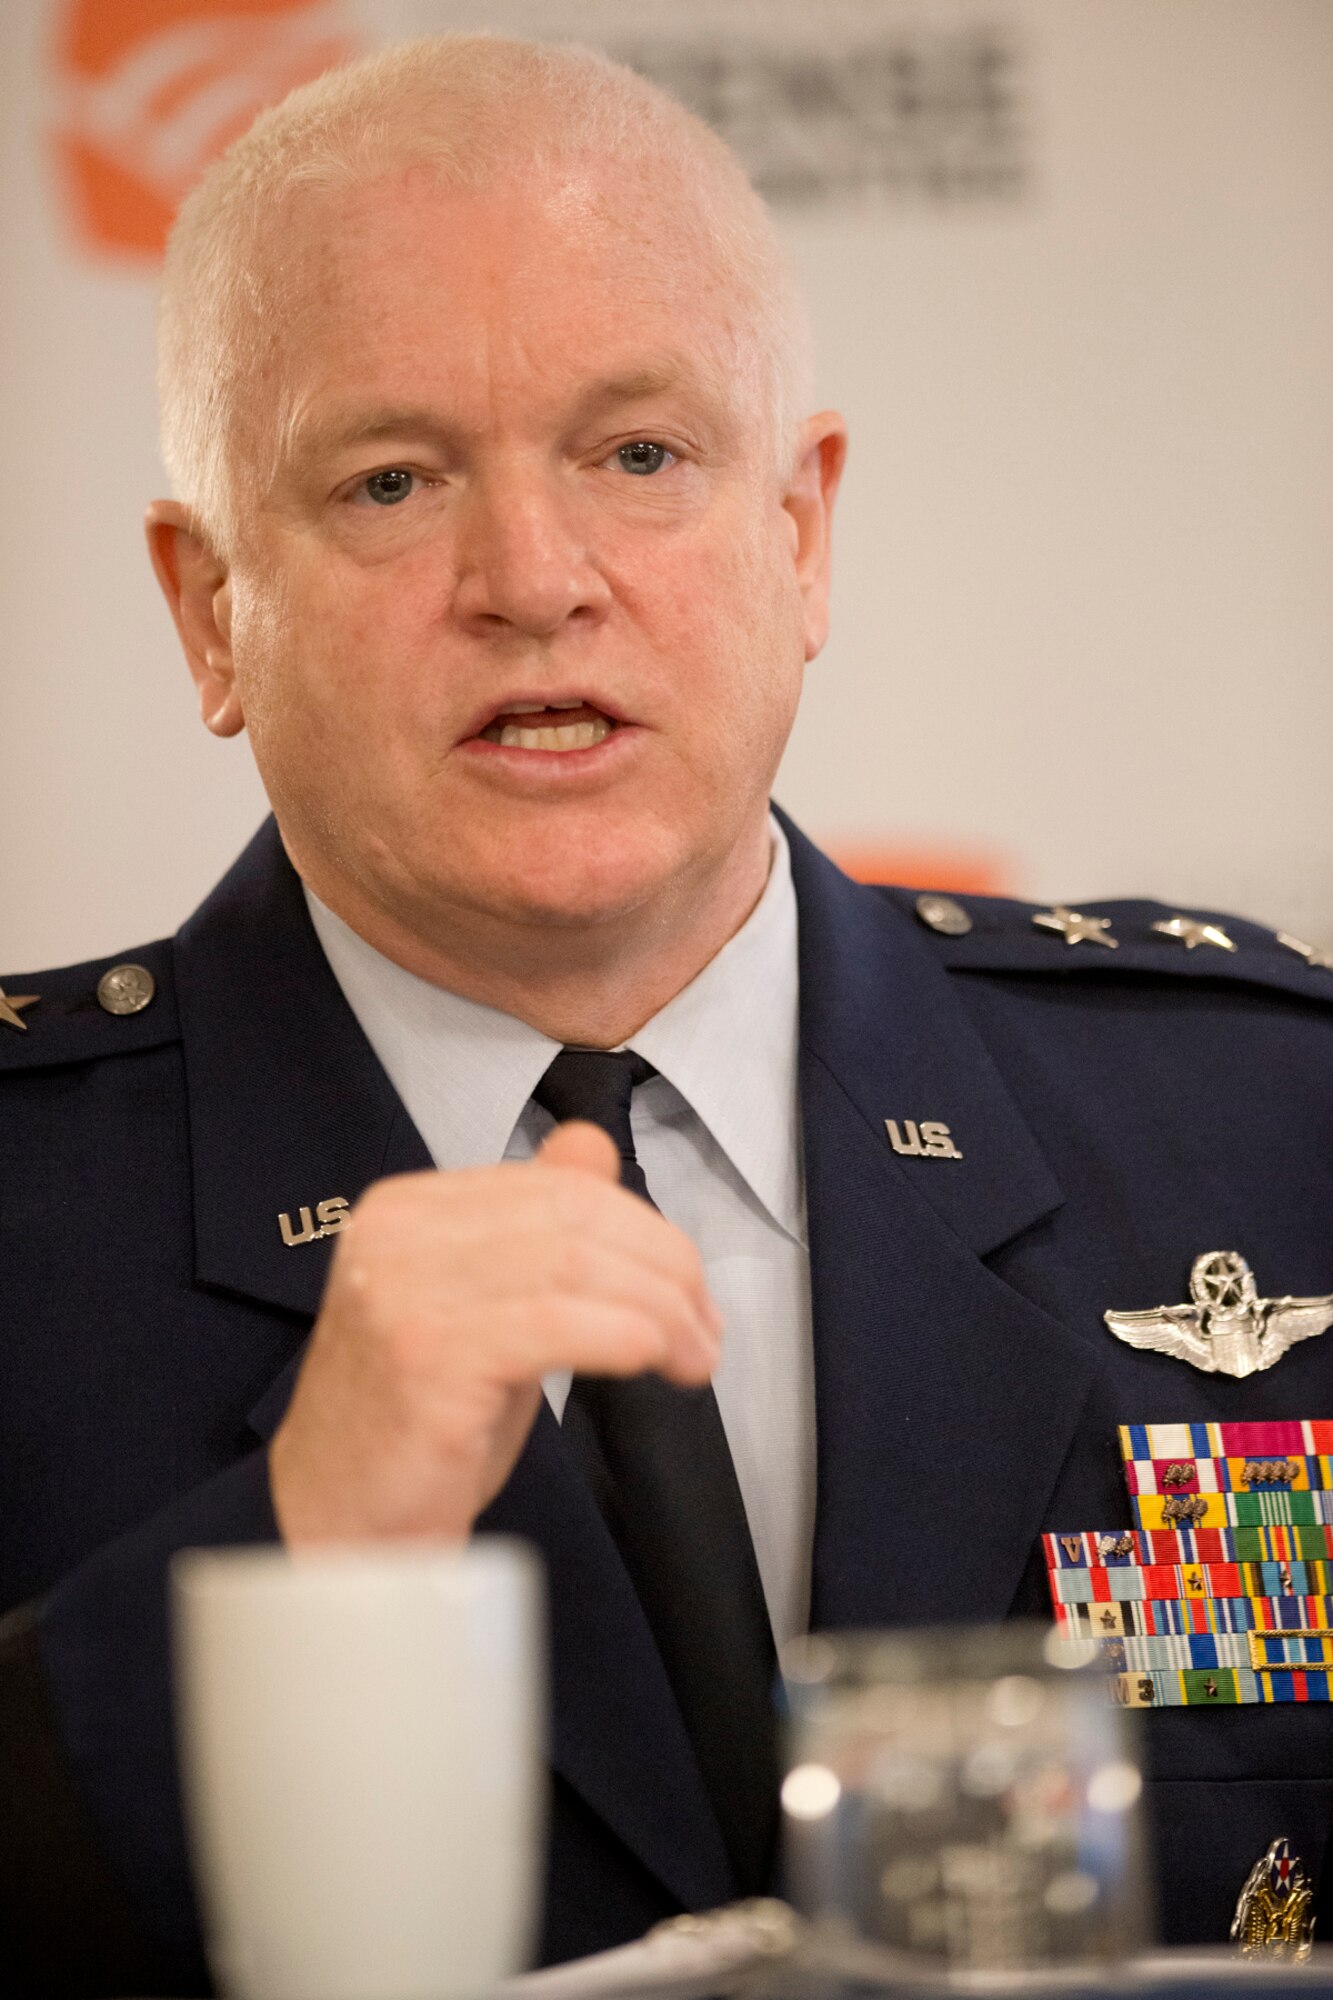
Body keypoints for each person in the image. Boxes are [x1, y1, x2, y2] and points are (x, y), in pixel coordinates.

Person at [2, 32, 1333, 1997]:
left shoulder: (1262, 1116)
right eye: (389, 479)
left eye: (637, 454)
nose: (534, 581)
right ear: (212, 611)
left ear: (797, 533)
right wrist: (289, 1549)